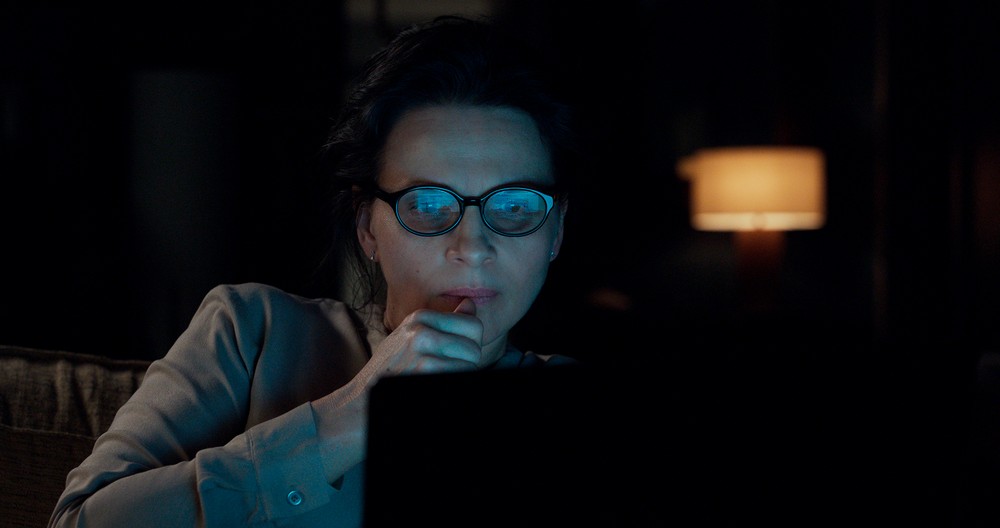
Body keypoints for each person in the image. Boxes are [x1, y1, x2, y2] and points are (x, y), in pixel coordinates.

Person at [49, 14, 578, 528]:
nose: (473, 247)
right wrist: (351, 415)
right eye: (428, 205)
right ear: (367, 227)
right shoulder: (251, 333)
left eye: (515, 206)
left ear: (555, 231)